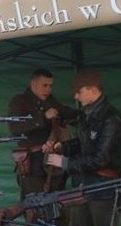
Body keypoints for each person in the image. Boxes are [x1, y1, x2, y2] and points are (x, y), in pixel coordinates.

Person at [46, 69, 121, 226]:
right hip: (81, 185)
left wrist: (65, 163)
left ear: (93, 90)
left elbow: (100, 158)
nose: (76, 97)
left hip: (103, 188)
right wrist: (62, 147)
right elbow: (84, 143)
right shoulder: (85, 115)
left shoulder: (111, 118)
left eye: (79, 92)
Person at [7, 68, 79, 202]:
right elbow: (15, 128)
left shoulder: (51, 101)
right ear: (33, 84)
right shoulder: (19, 101)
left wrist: (85, 114)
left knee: (55, 204)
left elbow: (64, 111)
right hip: (32, 164)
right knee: (33, 206)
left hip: (53, 161)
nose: (48, 89)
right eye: (44, 85)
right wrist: (43, 117)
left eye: (50, 86)